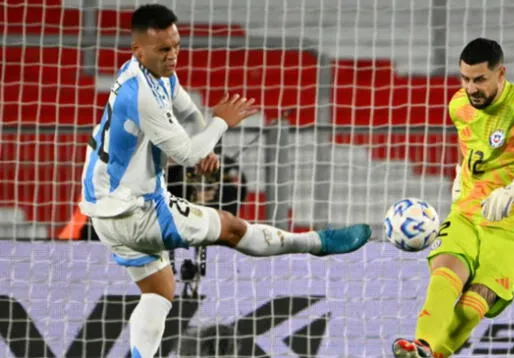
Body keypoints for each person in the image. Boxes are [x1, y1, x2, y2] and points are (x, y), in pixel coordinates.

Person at [78, 4, 371, 358]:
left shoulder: (153, 74)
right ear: (138, 49)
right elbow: (186, 155)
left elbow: (187, 111)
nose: (173, 56)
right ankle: (317, 242)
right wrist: (220, 123)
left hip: (105, 210)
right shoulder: (138, 94)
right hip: (134, 211)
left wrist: (205, 137)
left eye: (176, 46)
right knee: (231, 229)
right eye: (163, 50)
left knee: (158, 291)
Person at [392, 38, 514, 357]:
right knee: (445, 273)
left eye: (480, 79)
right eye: (465, 78)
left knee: (473, 304)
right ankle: (422, 345)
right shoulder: (458, 104)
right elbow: (468, 142)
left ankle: (431, 354)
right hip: (468, 208)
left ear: (500, 74)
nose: (471, 87)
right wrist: (459, 173)